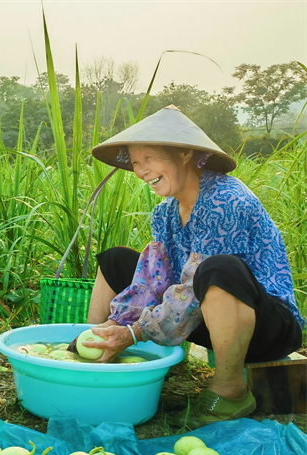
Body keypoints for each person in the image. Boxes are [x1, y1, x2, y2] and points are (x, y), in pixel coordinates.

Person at [80, 105, 304, 429]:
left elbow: (194, 287)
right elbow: (152, 282)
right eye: (136, 162)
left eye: (149, 158)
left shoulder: (226, 199)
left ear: (184, 153)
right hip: (206, 318)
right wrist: (120, 324)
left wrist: (135, 332)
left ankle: (230, 391)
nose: (142, 171)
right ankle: (94, 349)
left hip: (265, 325)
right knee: (117, 258)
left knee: (217, 269)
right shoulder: (165, 213)